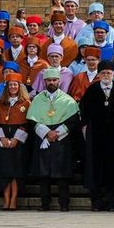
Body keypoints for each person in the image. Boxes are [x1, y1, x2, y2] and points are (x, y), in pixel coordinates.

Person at [28, 66, 79, 212]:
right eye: (49, 80)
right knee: (44, 174)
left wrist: (57, 133)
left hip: (61, 138)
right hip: (43, 137)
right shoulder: (37, 99)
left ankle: (64, 204)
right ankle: (45, 204)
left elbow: (73, 119)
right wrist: (45, 133)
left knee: (62, 174)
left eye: (54, 80)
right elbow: (32, 119)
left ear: (59, 81)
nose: (52, 82)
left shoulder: (68, 100)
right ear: (44, 82)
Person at [79, 65, 114, 211]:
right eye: (103, 72)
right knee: (95, 167)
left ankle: (112, 201)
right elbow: (84, 110)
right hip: (96, 134)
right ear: (99, 74)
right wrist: (86, 127)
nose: (106, 75)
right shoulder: (92, 90)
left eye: (109, 73)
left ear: (113, 74)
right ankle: (96, 201)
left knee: (113, 166)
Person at [0, 72, 31, 211]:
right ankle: (6, 199)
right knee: (4, 171)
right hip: (3, 140)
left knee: (16, 172)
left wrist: (16, 138)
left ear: (19, 87)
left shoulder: (26, 103)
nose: (13, 87)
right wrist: (2, 137)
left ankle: (13, 200)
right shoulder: (0, 104)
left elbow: (27, 124)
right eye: (10, 85)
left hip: (18, 141)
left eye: (15, 84)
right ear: (6, 87)